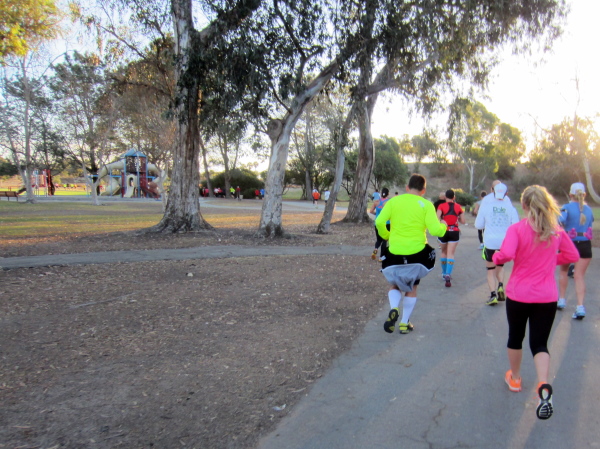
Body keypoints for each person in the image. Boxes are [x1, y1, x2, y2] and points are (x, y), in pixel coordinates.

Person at [492, 185, 578, 420]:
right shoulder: (555, 231)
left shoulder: (517, 229)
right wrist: (550, 259)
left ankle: (515, 379)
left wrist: (495, 256)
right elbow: (573, 256)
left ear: (525, 205)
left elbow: (506, 254)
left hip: (519, 294)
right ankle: (543, 386)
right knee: (540, 344)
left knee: (515, 337)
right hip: (546, 297)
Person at [376, 174, 447, 334]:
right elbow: (435, 230)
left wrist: (387, 235)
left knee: (394, 284)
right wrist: (444, 225)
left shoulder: (393, 201)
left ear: (407, 188)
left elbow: (379, 221)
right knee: (412, 286)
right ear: (423, 190)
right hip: (417, 254)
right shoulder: (427, 204)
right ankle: (404, 323)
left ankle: (394, 308)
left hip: (394, 253)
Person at [474, 183, 519, 305]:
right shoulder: (511, 208)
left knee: (490, 269)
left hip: (490, 242)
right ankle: (500, 286)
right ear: (507, 193)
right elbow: (516, 226)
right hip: (504, 243)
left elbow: (478, 225)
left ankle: (493, 295)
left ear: (493, 192)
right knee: (500, 266)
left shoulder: (486, 206)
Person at [557, 182, 594, 318]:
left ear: (570, 194)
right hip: (585, 244)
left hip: (569, 243)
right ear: (584, 194)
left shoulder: (566, 208)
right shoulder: (588, 210)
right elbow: (589, 225)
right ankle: (580, 307)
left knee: (563, 271)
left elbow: (559, 221)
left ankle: (562, 300)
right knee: (579, 276)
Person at [436, 189, 465, 287]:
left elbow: (437, 218)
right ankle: (448, 274)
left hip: (444, 231)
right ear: (454, 197)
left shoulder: (441, 206)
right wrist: (457, 218)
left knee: (443, 252)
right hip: (454, 231)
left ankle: (444, 274)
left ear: (445, 197)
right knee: (451, 254)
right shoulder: (458, 207)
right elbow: (463, 221)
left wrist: (442, 221)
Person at [369, 187, 391, 261]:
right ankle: (381, 257)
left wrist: (377, 214)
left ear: (381, 193)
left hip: (377, 223)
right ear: (388, 193)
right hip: (386, 223)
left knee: (378, 240)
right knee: (385, 240)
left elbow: (371, 211)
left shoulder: (376, 202)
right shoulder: (389, 202)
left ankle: (375, 250)